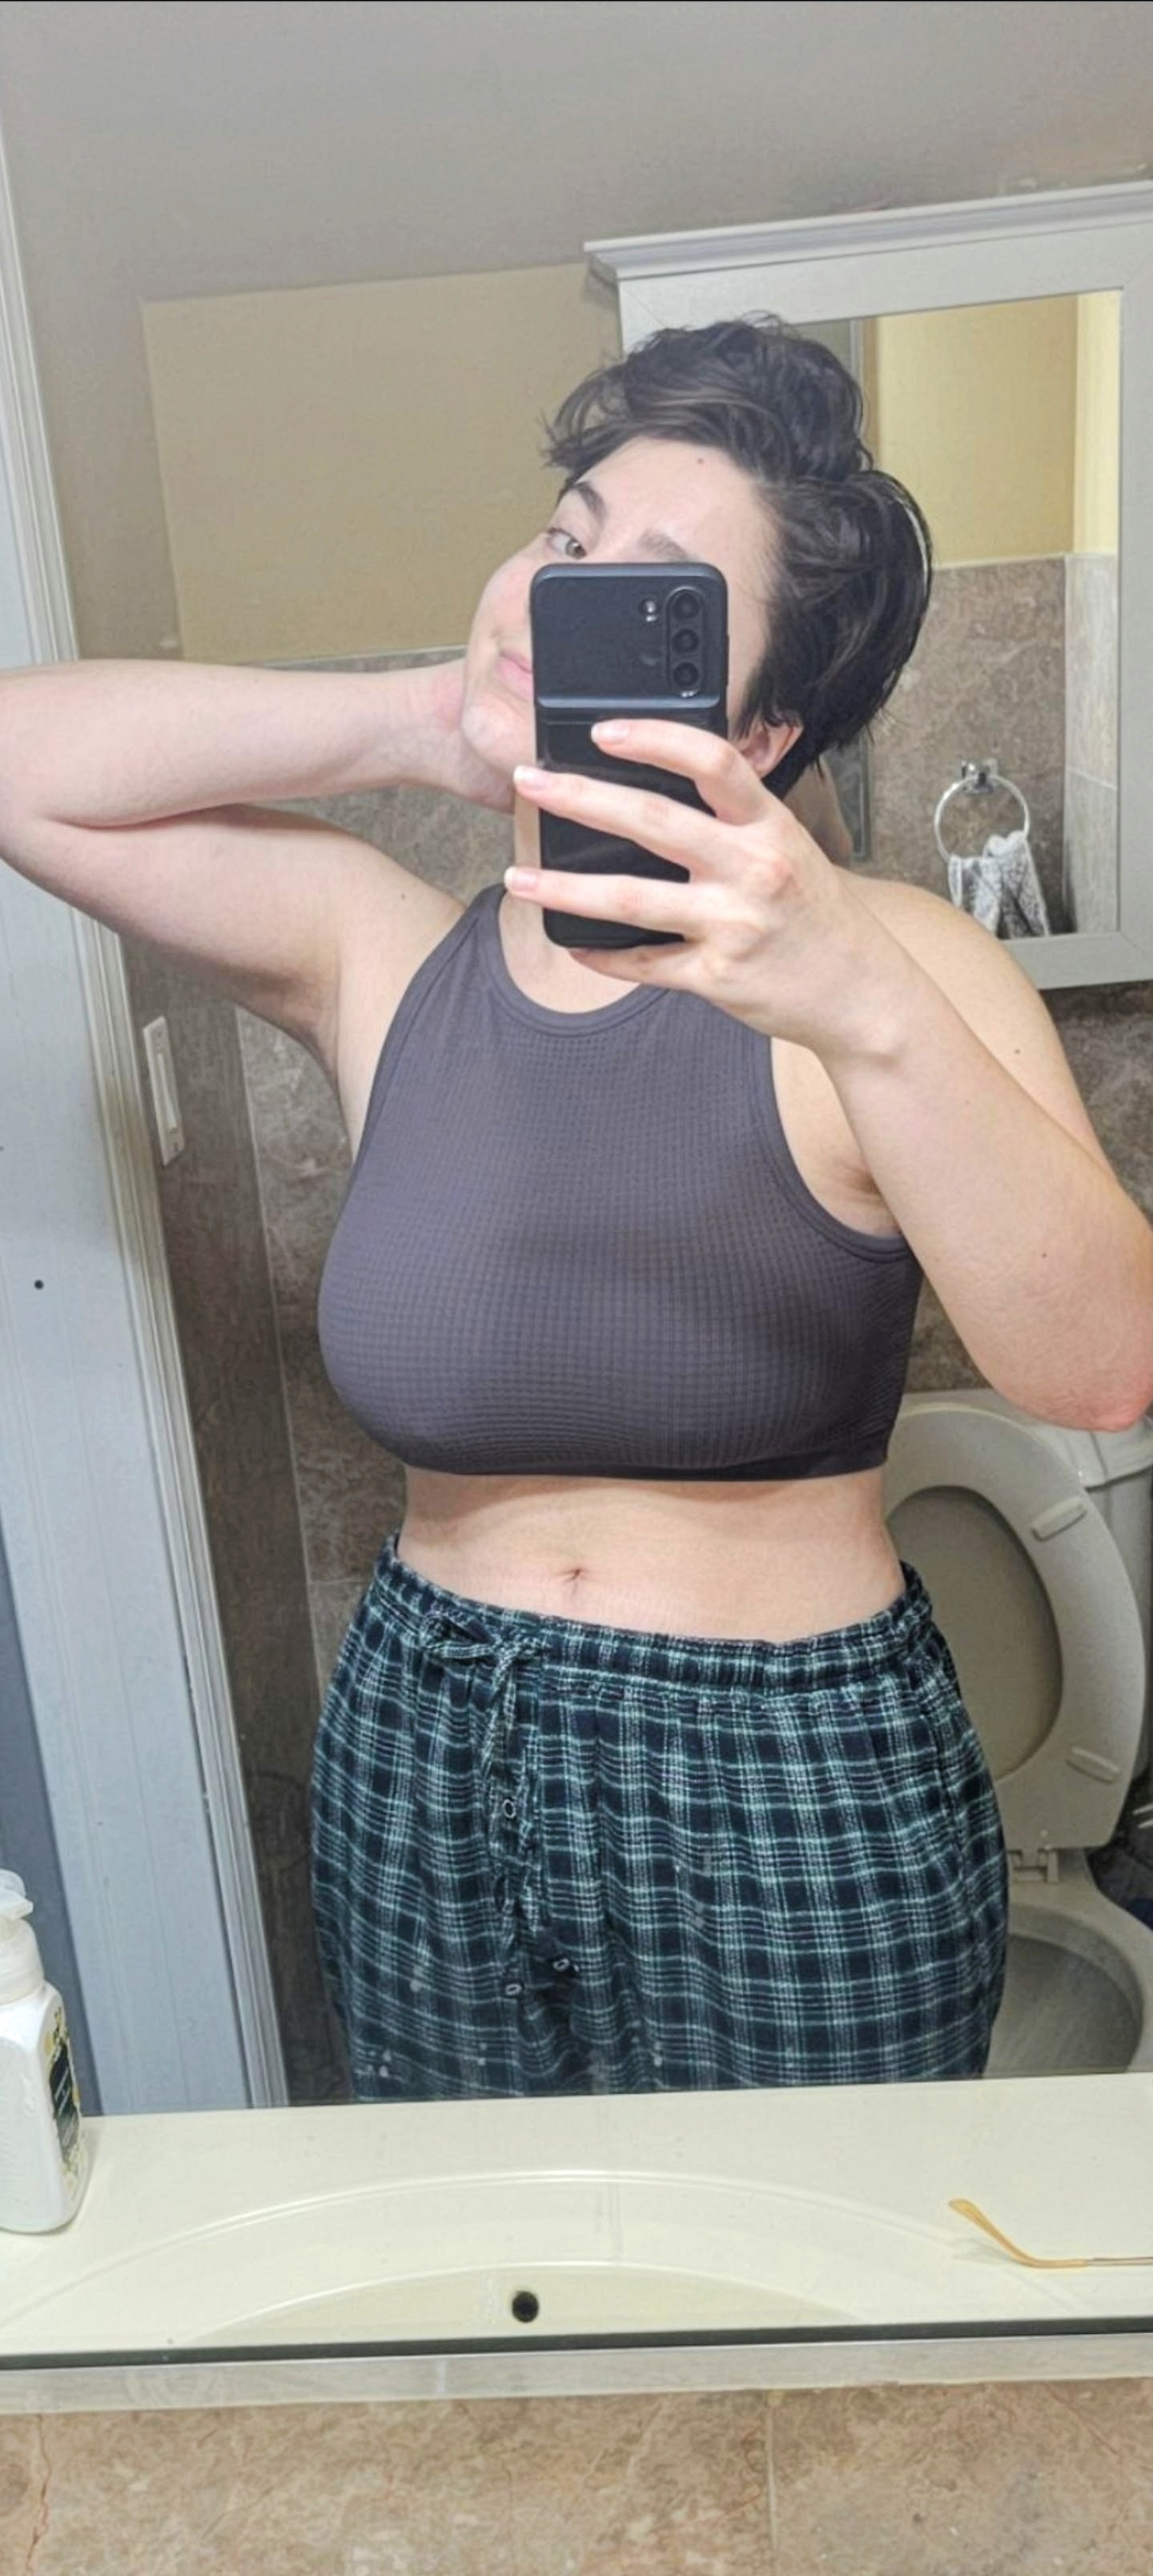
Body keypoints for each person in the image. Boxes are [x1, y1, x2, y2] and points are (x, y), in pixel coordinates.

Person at [1, 320, 1150, 2103]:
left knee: (814, 2270)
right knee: (493, 2264)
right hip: (423, 1757)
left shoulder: (898, 969)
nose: (563, 594)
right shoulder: (385, 959)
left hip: (792, 1770)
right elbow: (23, 763)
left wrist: (854, 994)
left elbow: (1100, 1369)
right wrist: (427, 724)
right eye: (567, 538)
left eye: (649, 594)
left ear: (757, 724)